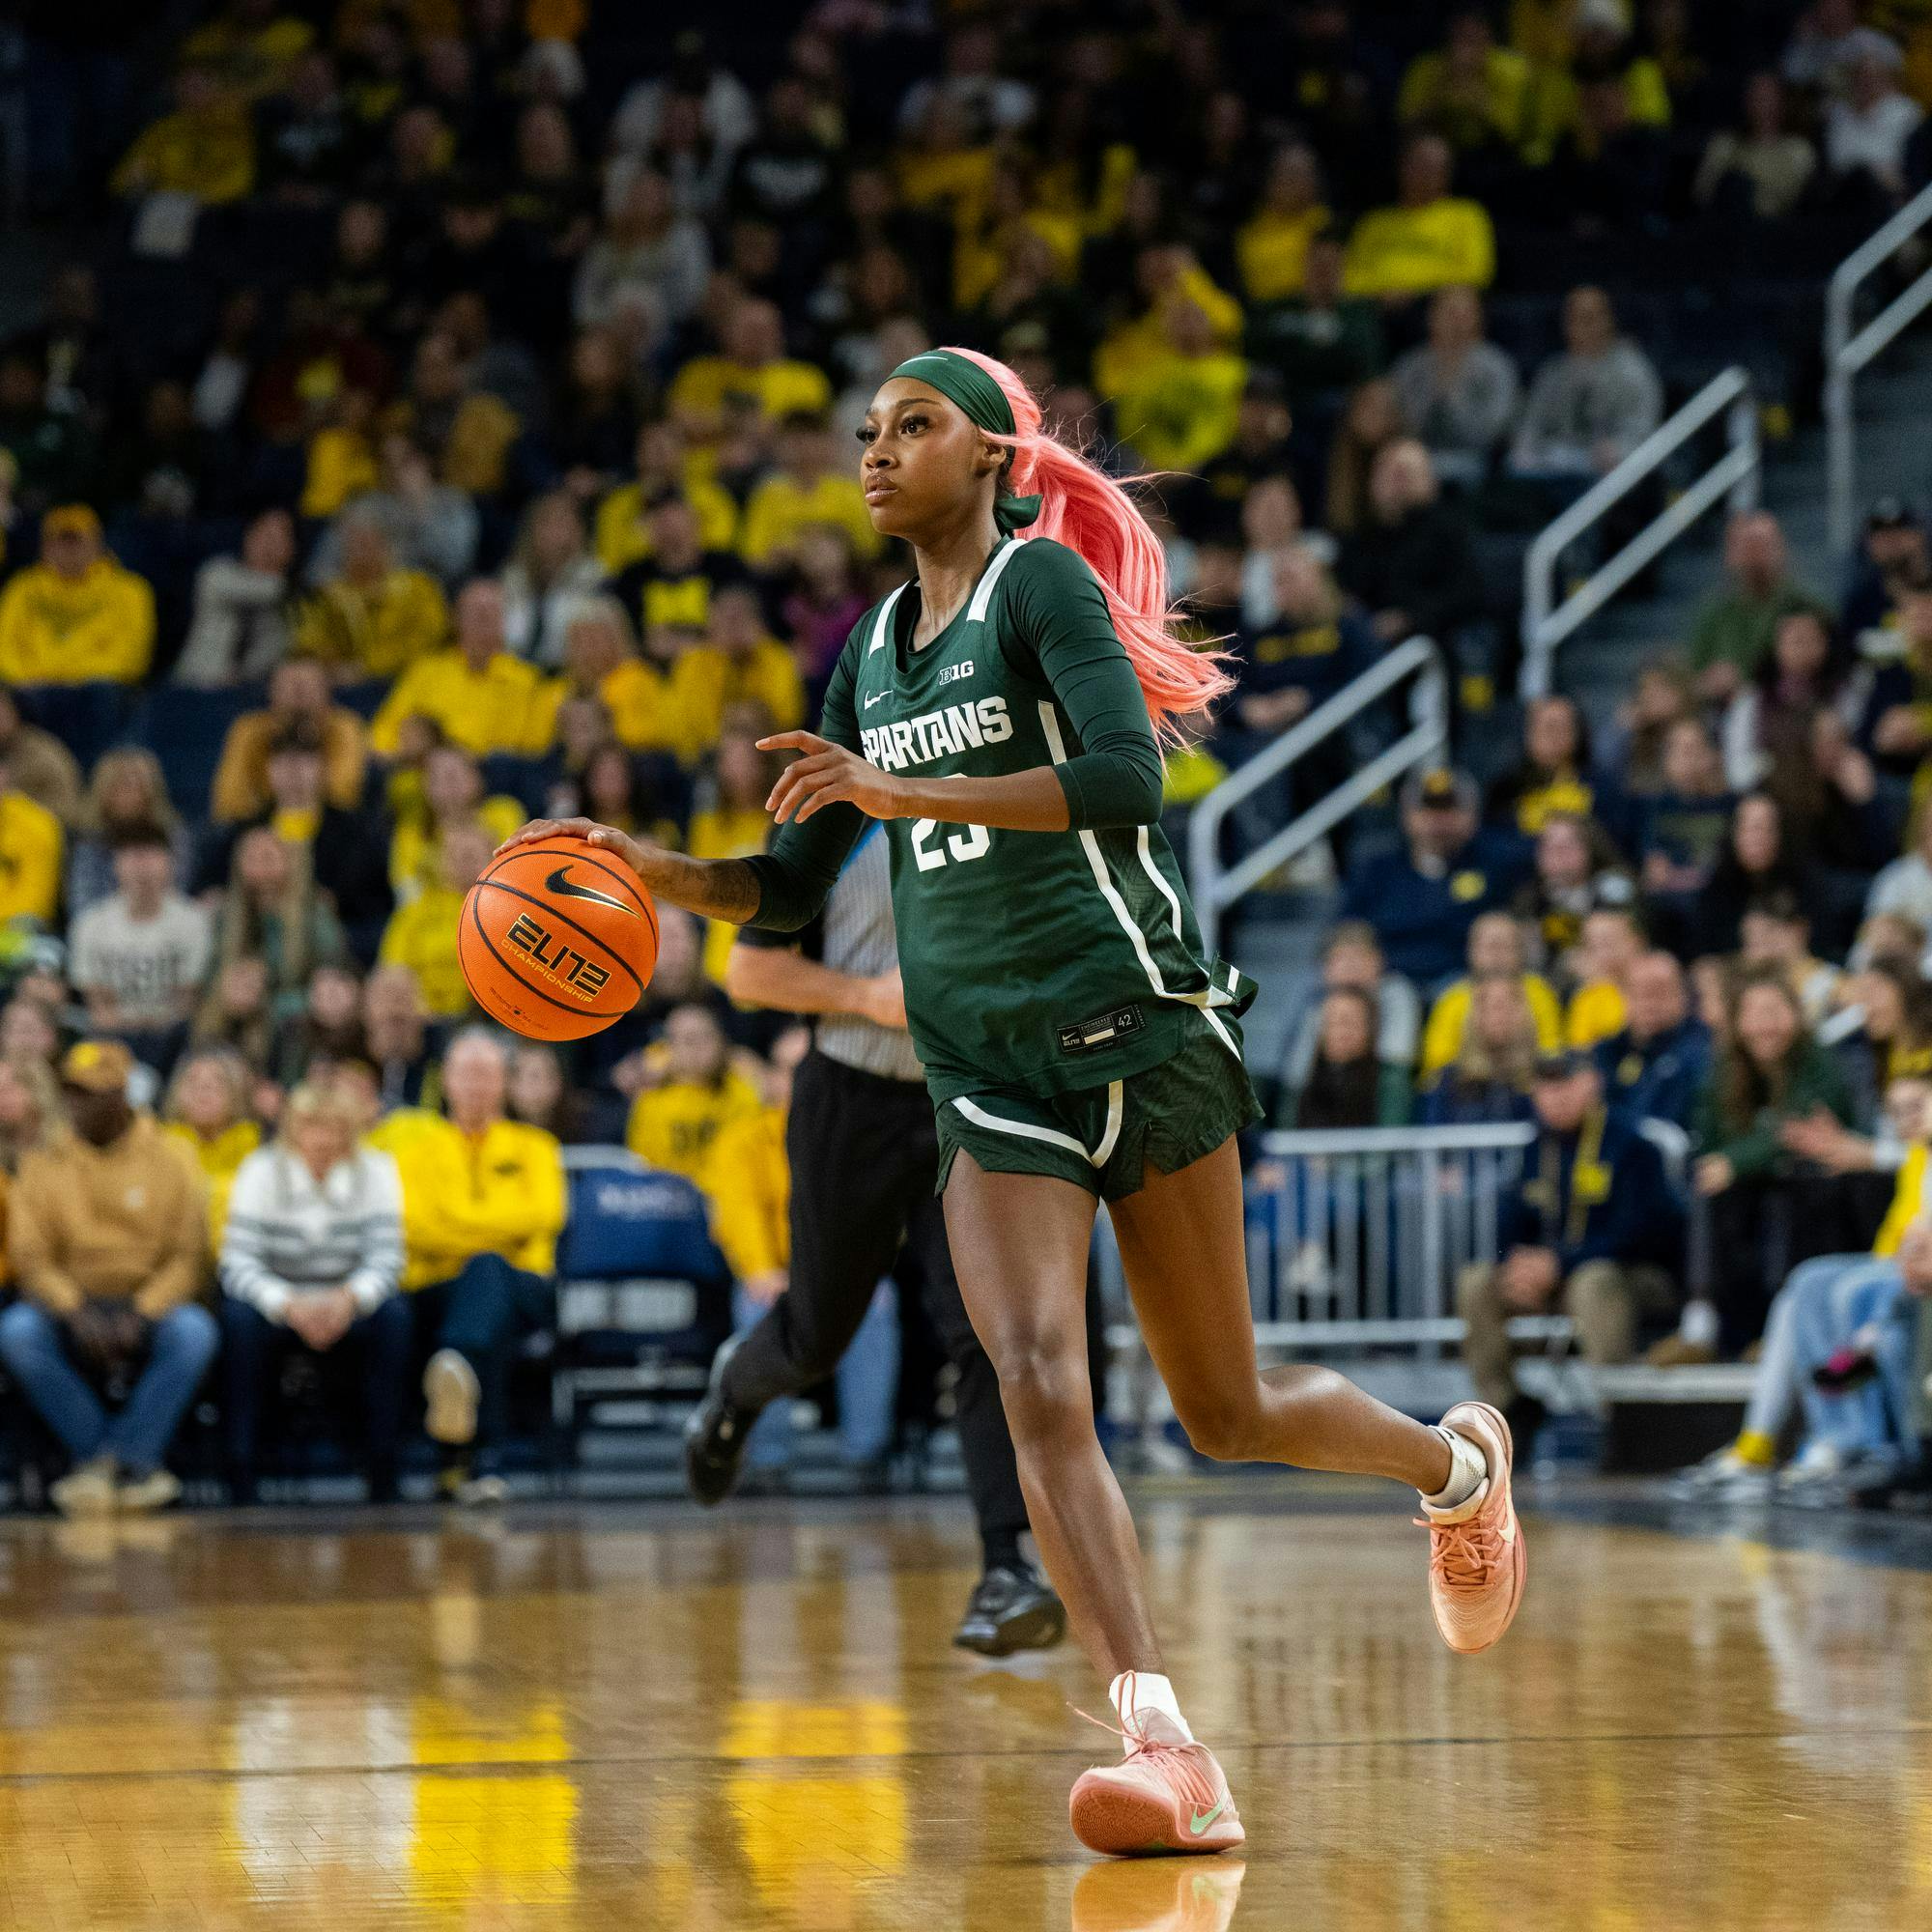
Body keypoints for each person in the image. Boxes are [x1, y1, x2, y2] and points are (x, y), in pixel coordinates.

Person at [499, 341, 1527, 1857]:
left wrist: (904, 794)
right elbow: (788, 886)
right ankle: (1165, 1744)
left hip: (1142, 1033)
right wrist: (663, 877)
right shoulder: (867, 652)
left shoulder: (1039, 593)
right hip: (984, 1077)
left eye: (911, 425)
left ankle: (1457, 1470)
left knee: (1226, 1412)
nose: (873, 450)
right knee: (1039, 1379)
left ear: (991, 454)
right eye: (862, 430)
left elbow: (1127, 781)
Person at [696, 810, 1070, 1656]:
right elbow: (749, 971)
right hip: (851, 1097)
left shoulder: (1008, 797)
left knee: (988, 1332)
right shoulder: (833, 816)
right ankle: (735, 1391)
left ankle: (1005, 1568)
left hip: (965, 1098)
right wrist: (868, 996)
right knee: (817, 1336)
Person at [0, 1040, 214, 1517]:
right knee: (16, 1332)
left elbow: (188, 1256)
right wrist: (74, 1309)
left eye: (91, 1094)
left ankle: (113, 1463)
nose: (77, 1104)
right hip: (70, 1303)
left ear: (122, 1095)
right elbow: (31, 1258)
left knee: (195, 1332)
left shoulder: (173, 1154)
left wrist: (143, 1312)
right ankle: (120, 1463)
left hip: (147, 1300)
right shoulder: (42, 1160)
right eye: (71, 1092)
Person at [372, 1028, 567, 1505]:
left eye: (487, 1074)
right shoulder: (415, 1152)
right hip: (437, 1290)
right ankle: (484, 1464)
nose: (477, 1085)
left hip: (527, 1288)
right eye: (467, 1074)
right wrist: (501, 1231)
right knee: (484, 1299)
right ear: (447, 1082)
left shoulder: (537, 1147)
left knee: (488, 1276)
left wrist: (459, 1227)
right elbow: (415, 1227)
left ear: (504, 1082)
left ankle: (454, 1443)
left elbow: (546, 1215)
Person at [1458, 1053, 1683, 1444]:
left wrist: (1561, 1263)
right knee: (1477, 1281)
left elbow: (1643, 1233)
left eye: (1566, 1084)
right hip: (1556, 1280)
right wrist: (1518, 1266)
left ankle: (1623, 1416)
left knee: (1593, 1282)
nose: (1555, 1097)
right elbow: (1510, 1223)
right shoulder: (1534, 1148)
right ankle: (1509, 1409)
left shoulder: (1630, 1144)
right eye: (1546, 1087)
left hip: (1632, 1277)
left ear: (1592, 1084)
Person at [218, 1080, 410, 1502]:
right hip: (280, 1301)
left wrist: (349, 1299)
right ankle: (241, 1463)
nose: (321, 1139)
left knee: (395, 1316)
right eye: (310, 1127)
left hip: (348, 1300)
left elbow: (388, 1259)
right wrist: (287, 1305)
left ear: (351, 1132)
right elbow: (237, 1262)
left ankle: (383, 1463)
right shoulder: (260, 1169)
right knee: (236, 1319)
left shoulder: (377, 1169)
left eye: (333, 1128)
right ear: (291, 1130)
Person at [1340, 766, 1523, 987]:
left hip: (1468, 986)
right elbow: (1346, 930)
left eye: (1450, 809)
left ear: (1472, 815)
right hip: (1388, 984)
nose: (1438, 820)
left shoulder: (1494, 863)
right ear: (1407, 815)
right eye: (1428, 808)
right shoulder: (1378, 870)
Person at [68, 825, 213, 1075]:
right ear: (116, 865)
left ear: (170, 863)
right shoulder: (91, 924)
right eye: (133, 856)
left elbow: (186, 1000)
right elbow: (98, 1006)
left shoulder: (193, 921)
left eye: (151, 856)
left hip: (173, 1038)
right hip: (111, 1035)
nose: (142, 867)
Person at [370, 578, 557, 759]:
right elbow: (384, 730)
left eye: (492, 614)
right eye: (477, 614)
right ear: (456, 619)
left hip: (490, 777)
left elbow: (531, 749)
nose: (484, 622)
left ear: (503, 622)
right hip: (423, 771)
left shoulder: (526, 679)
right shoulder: (426, 670)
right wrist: (398, 752)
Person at [0, 504, 156, 686]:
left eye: (76, 541)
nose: (68, 551)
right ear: (44, 547)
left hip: (94, 692)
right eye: (59, 541)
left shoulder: (130, 590)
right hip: (30, 689)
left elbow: (131, 656)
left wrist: (68, 678)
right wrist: (34, 679)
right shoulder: (23, 587)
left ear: (97, 544)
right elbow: (4, 647)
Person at [1595, 952, 1712, 1131]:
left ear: (1682, 995)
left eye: (1659, 992)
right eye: (1640, 993)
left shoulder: (1703, 1048)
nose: (1649, 1003)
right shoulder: (1606, 1052)